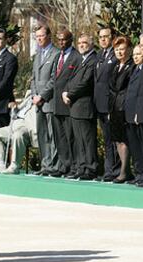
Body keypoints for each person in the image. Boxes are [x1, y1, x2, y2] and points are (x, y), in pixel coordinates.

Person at [62, 33, 98, 180]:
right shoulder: (81, 60)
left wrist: (69, 94)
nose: (82, 45)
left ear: (91, 44)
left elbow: (85, 83)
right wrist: (65, 91)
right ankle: (82, 167)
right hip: (75, 107)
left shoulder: (93, 60)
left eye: (85, 42)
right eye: (80, 42)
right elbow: (71, 79)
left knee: (88, 140)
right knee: (79, 140)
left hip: (85, 107)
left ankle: (91, 168)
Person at [50, 28, 81, 178]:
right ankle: (64, 165)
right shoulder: (58, 56)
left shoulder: (76, 57)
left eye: (64, 39)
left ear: (70, 40)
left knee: (71, 137)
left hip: (68, 104)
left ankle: (74, 167)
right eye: (59, 39)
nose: (61, 42)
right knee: (60, 138)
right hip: (56, 103)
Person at [30, 25, 60, 176]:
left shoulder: (56, 53)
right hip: (38, 102)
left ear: (49, 36)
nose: (39, 39)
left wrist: (42, 96)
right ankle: (45, 165)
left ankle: (54, 166)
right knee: (42, 135)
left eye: (41, 36)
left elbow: (54, 79)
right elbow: (34, 78)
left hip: (49, 101)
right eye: (37, 36)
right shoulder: (37, 55)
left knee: (52, 134)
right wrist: (34, 95)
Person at [0, 90, 38, 174]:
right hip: (15, 124)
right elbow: (20, 107)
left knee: (18, 135)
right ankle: (0, 164)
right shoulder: (28, 95)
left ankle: (15, 165)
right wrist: (14, 106)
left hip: (27, 126)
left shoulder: (39, 97)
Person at [94, 26, 119, 181]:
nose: (103, 39)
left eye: (106, 36)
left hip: (110, 105)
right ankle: (108, 170)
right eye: (100, 37)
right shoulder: (99, 55)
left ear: (112, 37)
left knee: (113, 140)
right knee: (107, 140)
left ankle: (115, 171)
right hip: (99, 104)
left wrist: (111, 106)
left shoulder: (115, 56)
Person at [108, 36, 134, 183]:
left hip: (124, 108)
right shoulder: (115, 66)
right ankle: (125, 170)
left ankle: (124, 171)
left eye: (122, 49)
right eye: (116, 49)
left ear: (129, 50)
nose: (119, 52)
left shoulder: (132, 66)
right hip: (114, 108)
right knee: (117, 139)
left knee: (124, 140)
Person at [125, 45, 143, 187]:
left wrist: (138, 112)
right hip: (130, 114)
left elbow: (141, 95)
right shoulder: (134, 69)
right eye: (134, 54)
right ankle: (138, 174)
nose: (135, 57)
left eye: (139, 54)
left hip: (139, 115)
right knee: (135, 147)